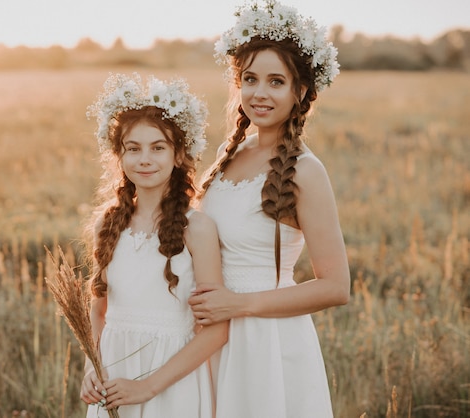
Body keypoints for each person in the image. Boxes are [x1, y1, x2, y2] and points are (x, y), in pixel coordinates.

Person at [187, 1, 350, 417]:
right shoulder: (229, 153)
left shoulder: (305, 171)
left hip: (267, 340)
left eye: (276, 81)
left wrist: (238, 305)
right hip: (210, 333)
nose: (259, 93)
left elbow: (336, 286)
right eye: (250, 79)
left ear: (300, 92)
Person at [80, 73, 228, 418]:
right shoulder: (108, 223)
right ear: (119, 155)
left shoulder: (197, 229)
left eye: (157, 147)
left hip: (172, 384)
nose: (144, 159)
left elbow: (217, 330)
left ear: (178, 155)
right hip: (115, 380)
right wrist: (94, 368)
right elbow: (99, 311)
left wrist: (148, 386)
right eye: (133, 149)